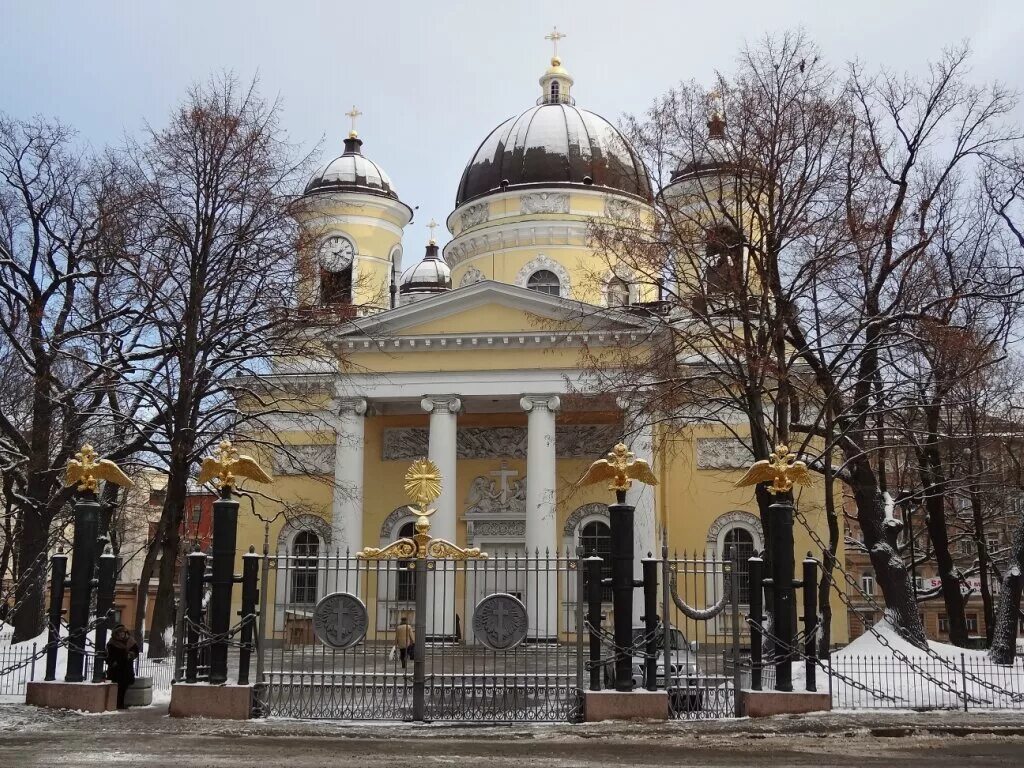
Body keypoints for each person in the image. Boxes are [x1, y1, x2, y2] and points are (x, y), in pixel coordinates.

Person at [106, 624, 140, 709]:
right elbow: (110, 656)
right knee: (116, 687)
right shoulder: (112, 643)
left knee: (124, 686)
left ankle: (120, 704)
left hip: (127, 668)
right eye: (120, 633)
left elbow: (136, 651)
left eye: (123, 632)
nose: (122, 634)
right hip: (116, 669)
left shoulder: (131, 641)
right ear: (116, 634)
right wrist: (120, 657)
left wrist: (132, 654)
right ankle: (116, 704)